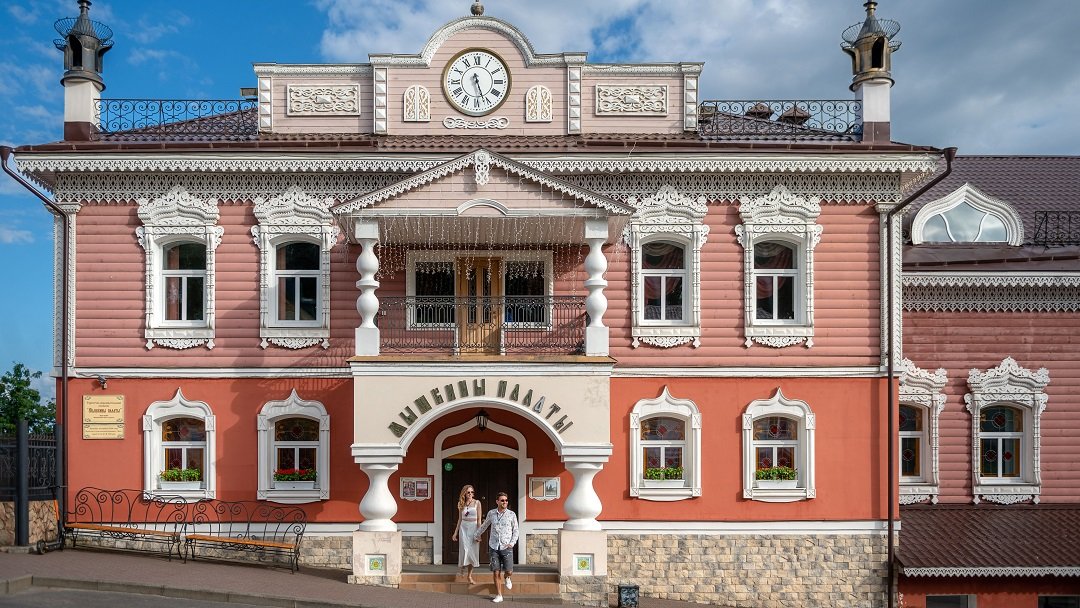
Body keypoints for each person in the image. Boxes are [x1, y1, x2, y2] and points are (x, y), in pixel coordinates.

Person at [474, 491, 518, 603]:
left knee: (509, 571)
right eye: (502, 500)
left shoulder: (512, 514)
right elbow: (485, 525)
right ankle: (499, 595)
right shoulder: (491, 513)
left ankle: (507, 577)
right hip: (494, 546)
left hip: (507, 546)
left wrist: (512, 543)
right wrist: (476, 534)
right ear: (497, 501)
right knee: (496, 572)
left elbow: (516, 531)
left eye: (506, 500)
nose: (505, 502)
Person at [450, 484, 481, 583]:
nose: (470, 494)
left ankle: (469, 576)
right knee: (464, 549)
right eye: (468, 492)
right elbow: (459, 519)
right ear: (464, 493)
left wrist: (479, 533)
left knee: (472, 552)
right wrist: (455, 533)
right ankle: (463, 567)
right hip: (463, 528)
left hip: (473, 528)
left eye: (472, 492)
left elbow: (479, 519)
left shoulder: (477, 503)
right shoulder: (461, 503)